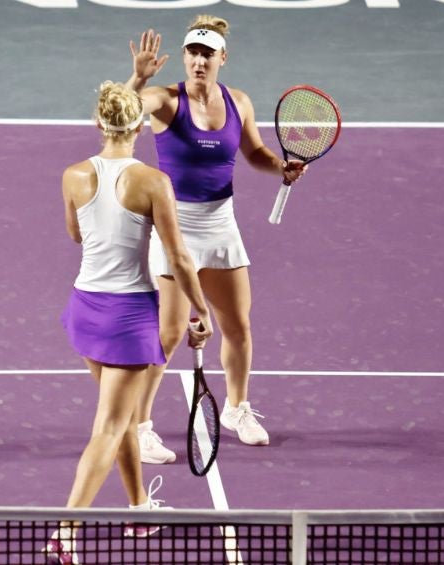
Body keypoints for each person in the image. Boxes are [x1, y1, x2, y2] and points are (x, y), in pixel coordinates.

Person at [124, 17, 308, 463]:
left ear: (222, 58)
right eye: (193, 52)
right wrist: (138, 78)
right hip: (174, 225)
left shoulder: (238, 102)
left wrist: (280, 167)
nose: (199, 60)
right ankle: (141, 427)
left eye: (208, 53)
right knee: (168, 334)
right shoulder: (165, 101)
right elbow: (121, 115)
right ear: (185, 57)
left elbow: (254, 153)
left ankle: (237, 409)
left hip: (221, 224)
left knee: (238, 326)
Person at [46, 80, 213, 565]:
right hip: (128, 317)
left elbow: (76, 233)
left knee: (118, 421)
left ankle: (139, 507)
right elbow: (179, 258)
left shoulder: (72, 175)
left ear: (98, 123)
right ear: (141, 126)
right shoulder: (153, 182)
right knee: (110, 426)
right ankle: (66, 530)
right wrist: (200, 309)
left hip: (85, 309)